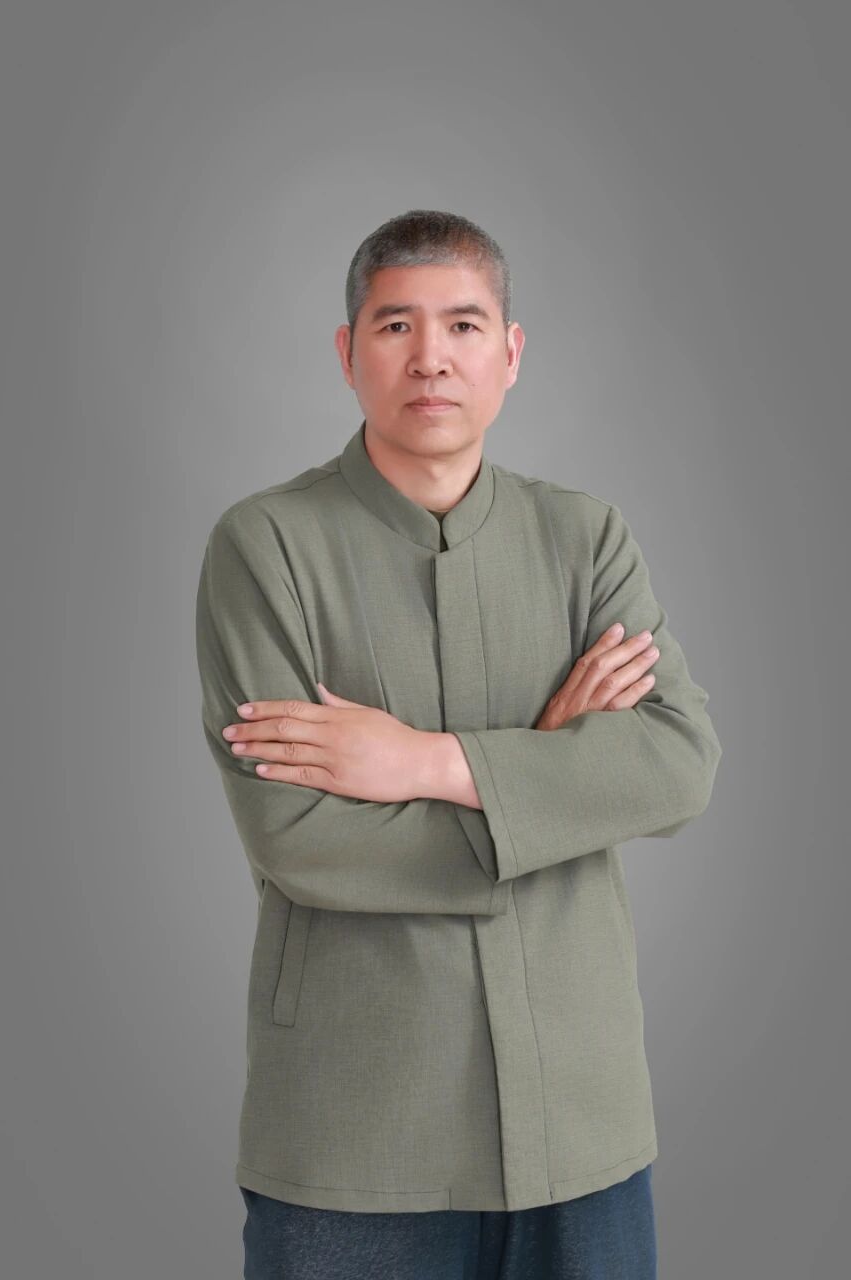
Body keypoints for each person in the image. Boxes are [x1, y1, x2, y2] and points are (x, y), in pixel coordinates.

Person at [194, 209, 722, 1279]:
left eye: (464, 325)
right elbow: (298, 837)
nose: (430, 357)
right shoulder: (267, 546)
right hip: (354, 1130)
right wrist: (549, 777)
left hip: (583, 1120)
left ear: (510, 353)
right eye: (395, 325)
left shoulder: (585, 539)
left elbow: (676, 762)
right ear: (347, 352)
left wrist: (430, 762)